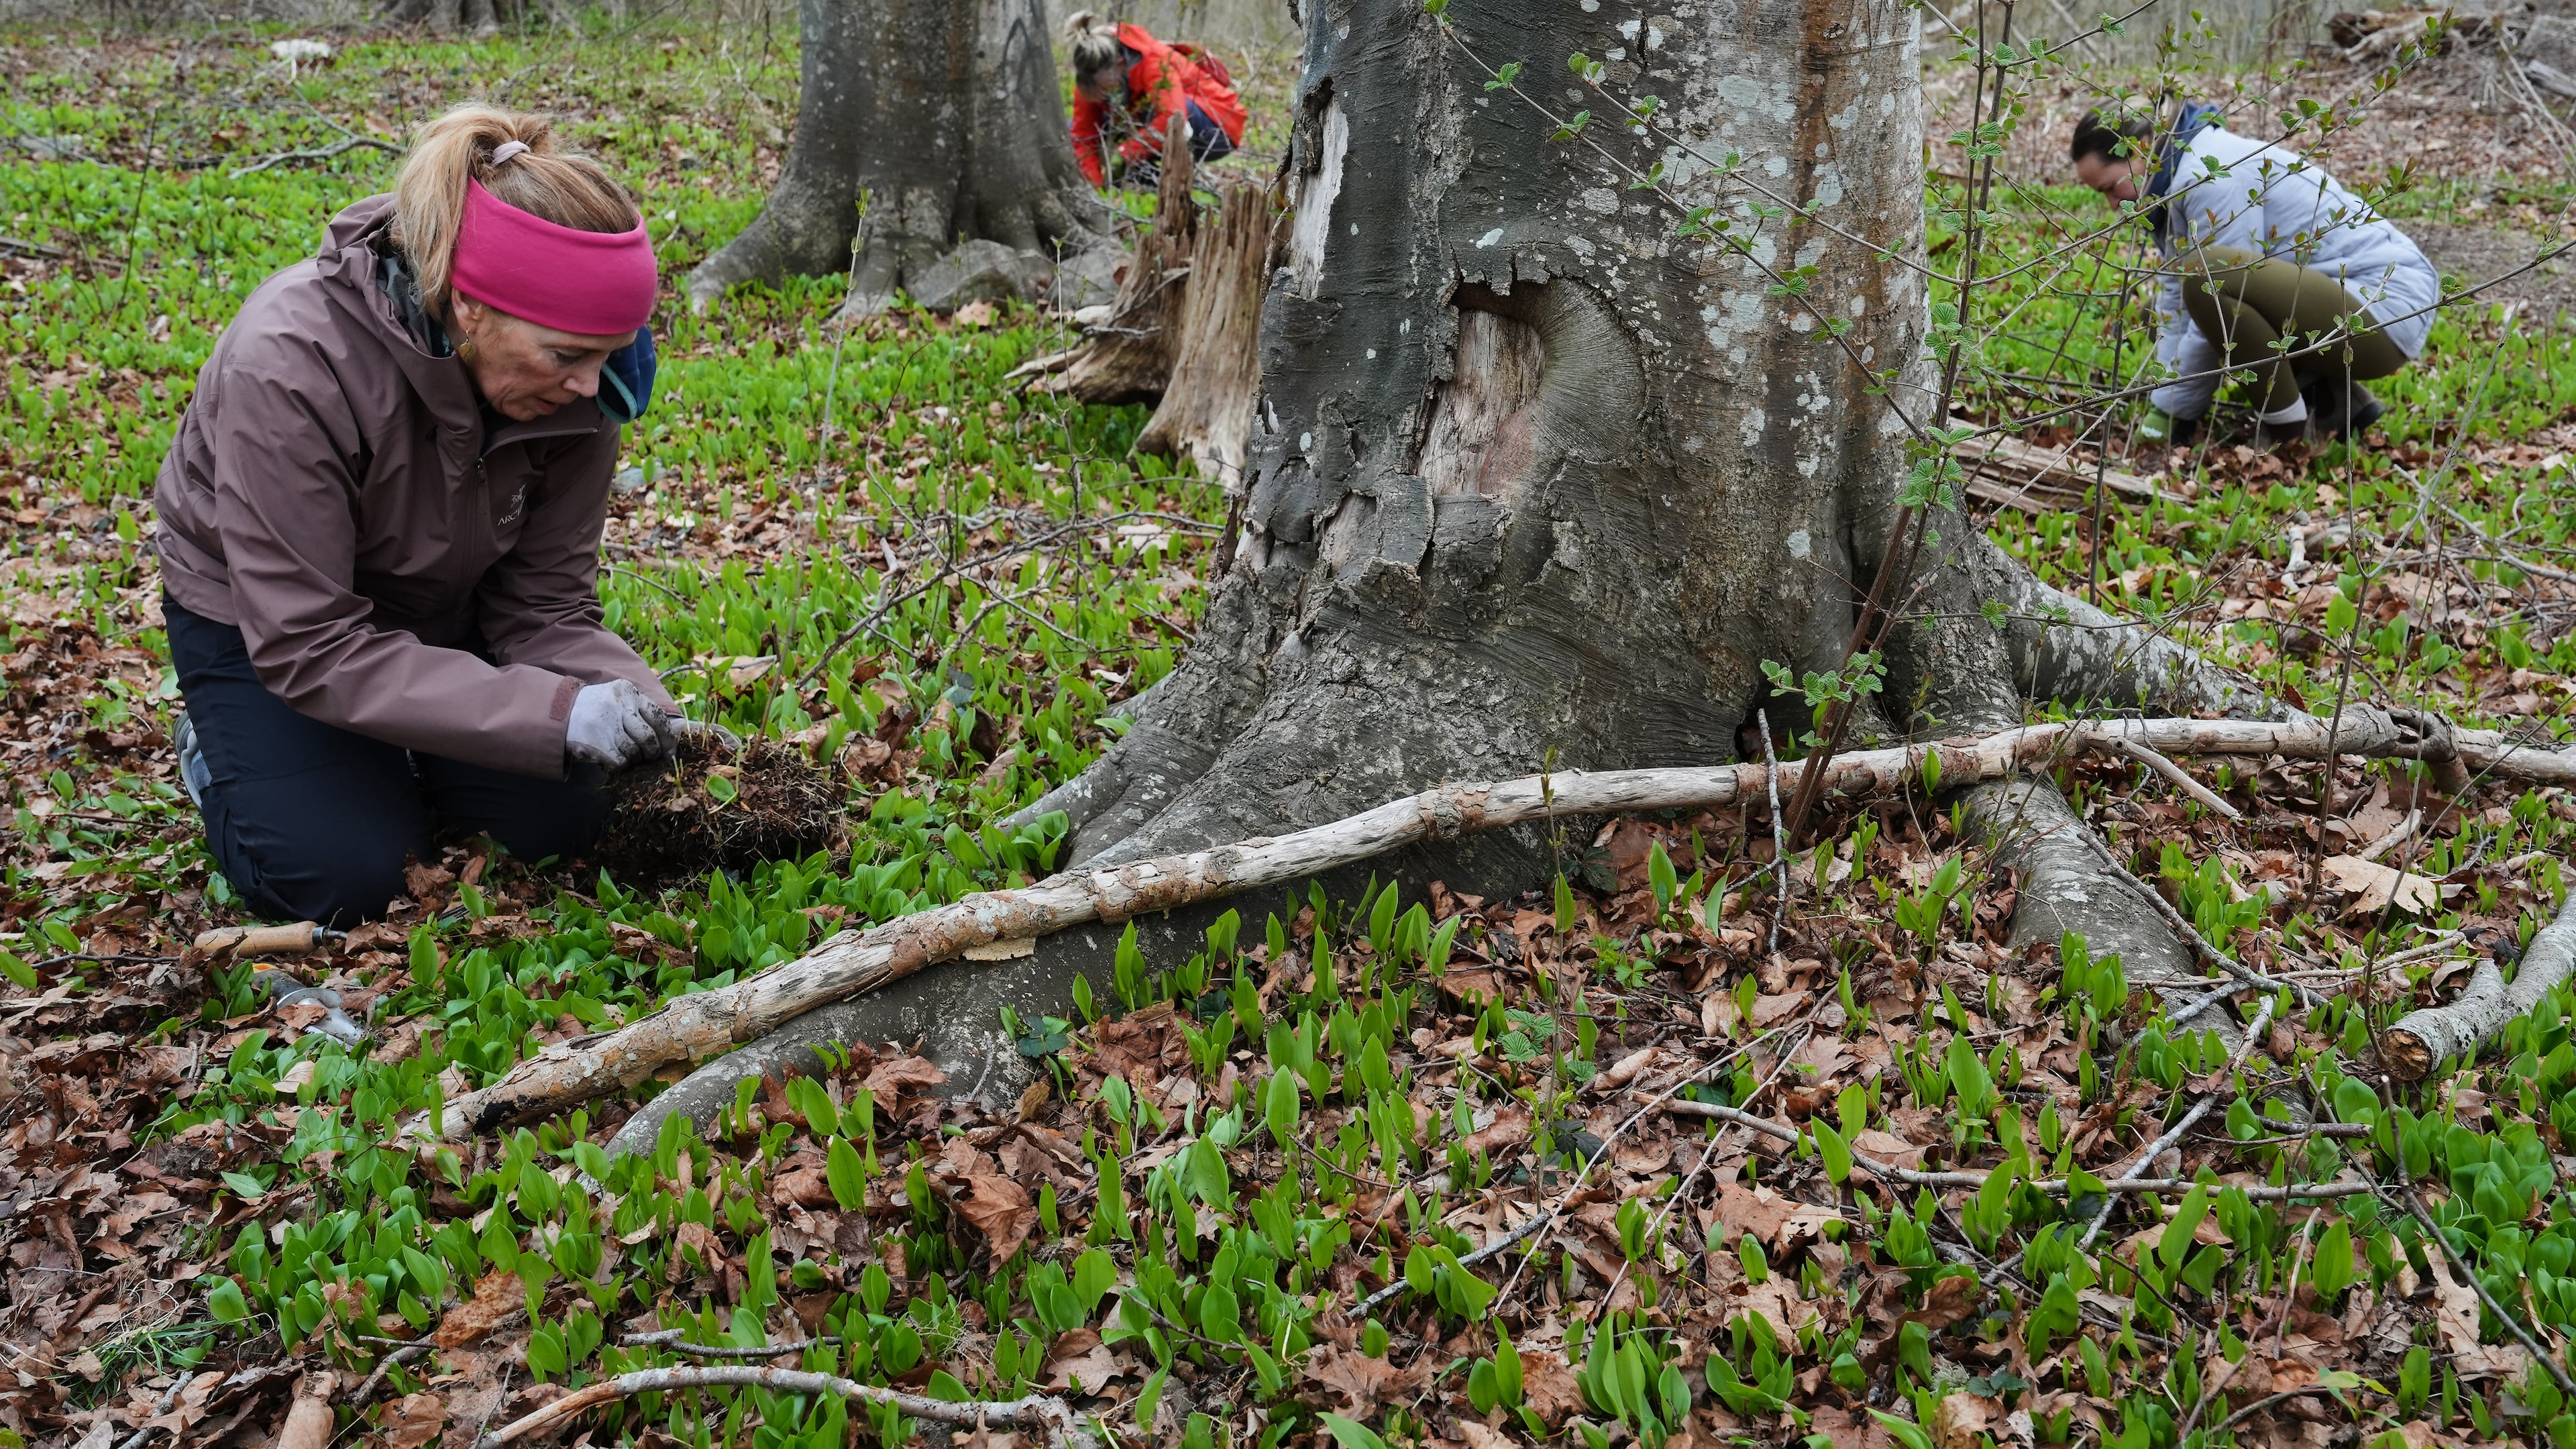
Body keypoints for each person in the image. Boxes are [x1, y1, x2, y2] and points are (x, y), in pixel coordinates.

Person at [153, 103, 682, 928]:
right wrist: (551, 713)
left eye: (610, 353)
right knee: (348, 877)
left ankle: (404, 744)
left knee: (574, 825)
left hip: (445, 607)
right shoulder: (293, 366)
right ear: (471, 307)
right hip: (273, 632)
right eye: (568, 356)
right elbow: (310, 644)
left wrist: (643, 708)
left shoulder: (586, 385)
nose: (591, 387)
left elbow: (545, 606)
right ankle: (221, 751)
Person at [2071, 105, 2441, 448]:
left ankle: (2287, 433)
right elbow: (2175, 303)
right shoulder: (2170, 180)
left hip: (2383, 312)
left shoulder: (2207, 175)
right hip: (2343, 306)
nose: (2112, 205)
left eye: (2110, 187)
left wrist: (2171, 412)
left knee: (2210, 280)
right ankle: (2338, 406)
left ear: (2142, 148)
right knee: (2161, 312)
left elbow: (2215, 287)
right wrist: (2165, 395)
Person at [1065, 10, 1247, 189]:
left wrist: (1123, 155)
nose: (1104, 97)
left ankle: (1176, 184)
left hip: (1218, 129)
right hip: (1162, 123)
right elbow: (1083, 137)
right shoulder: (1088, 80)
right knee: (1072, 128)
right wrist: (1095, 189)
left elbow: (1172, 117)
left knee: (1156, 112)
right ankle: (1147, 182)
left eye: (1107, 89)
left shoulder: (1153, 61)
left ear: (1120, 64)